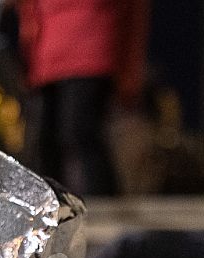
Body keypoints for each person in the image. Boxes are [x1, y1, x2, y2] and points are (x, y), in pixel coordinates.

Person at [17, 0, 148, 196]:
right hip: (47, 58)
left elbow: (134, 12)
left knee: (80, 134)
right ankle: (49, 205)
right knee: (42, 142)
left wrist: (130, 70)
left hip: (90, 53)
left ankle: (105, 206)